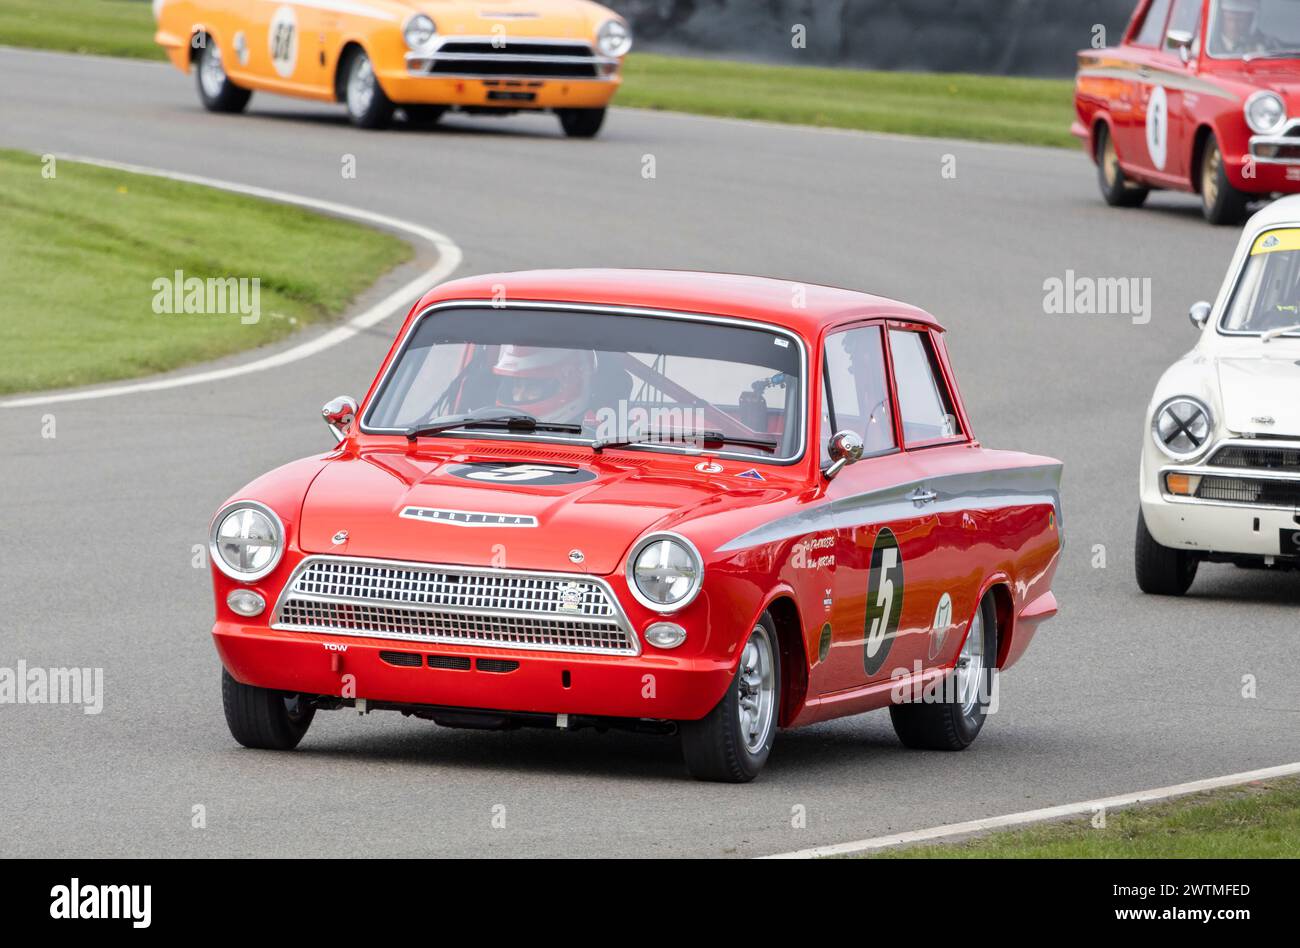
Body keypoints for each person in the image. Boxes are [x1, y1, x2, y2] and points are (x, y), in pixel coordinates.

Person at [492, 345, 595, 424]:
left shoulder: (591, 433)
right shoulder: (487, 425)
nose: (519, 397)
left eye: (532, 388)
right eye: (517, 386)